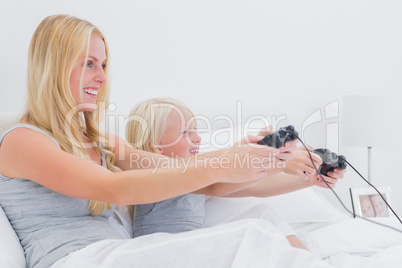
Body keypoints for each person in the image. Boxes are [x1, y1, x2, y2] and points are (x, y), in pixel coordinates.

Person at [0, 14, 337, 268]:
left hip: (117, 253)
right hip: (78, 259)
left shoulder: (98, 141)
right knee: (252, 238)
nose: (102, 77)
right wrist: (226, 162)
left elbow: (186, 175)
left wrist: (255, 159)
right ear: (54, 67)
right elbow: (113, 189)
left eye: (103, 64)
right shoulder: (22, 142)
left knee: (265, 226)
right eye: (88, 64)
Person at [127, 97, 315, 250]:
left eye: (195, 130)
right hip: (163, 252)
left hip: (192, 247)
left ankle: (308, 262)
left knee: (262, 215)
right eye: (185, 132)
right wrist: (276, 161)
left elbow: (255, 186)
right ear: (156, 147)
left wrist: (309, 178)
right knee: (254, 229)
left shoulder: (198, 176)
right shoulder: (149, 174)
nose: (197, 138)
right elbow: (195, 167)